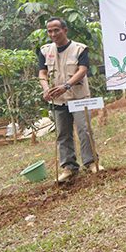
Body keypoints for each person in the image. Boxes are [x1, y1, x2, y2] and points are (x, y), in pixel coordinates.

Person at [38, 17, 104, 183]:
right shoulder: (45, 51)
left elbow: (82, 71)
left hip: (79, 97)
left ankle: (91, 163)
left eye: (56, 30)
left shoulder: (79, 49)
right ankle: (69, 167)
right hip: (58, 101)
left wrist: (66, 85)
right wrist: (46, 89)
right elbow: (42, 74)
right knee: (62, 134)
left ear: (65, 30)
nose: (53, 34)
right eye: (50, 31)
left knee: (84, 130)